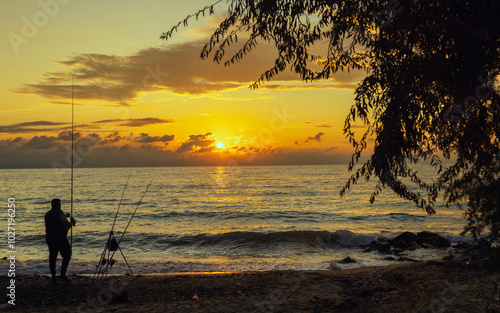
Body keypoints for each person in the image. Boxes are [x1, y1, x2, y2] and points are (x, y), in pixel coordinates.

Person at [45, 198, 76, 282]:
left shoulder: (47, 214)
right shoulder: (60, 214)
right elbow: (67, 225)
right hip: (60, 238)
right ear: (59, 205)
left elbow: (55, 219)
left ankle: (53, 277)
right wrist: (72, 222)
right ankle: (62, 274)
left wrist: (65, 216)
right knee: (67, 255)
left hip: (50, 238)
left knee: (53, 257)